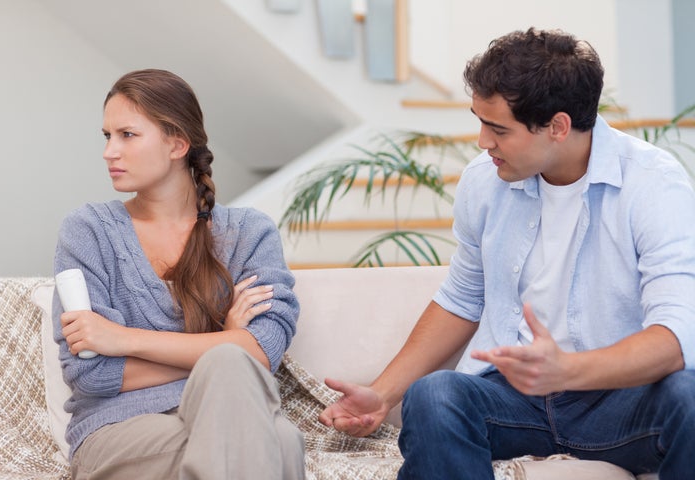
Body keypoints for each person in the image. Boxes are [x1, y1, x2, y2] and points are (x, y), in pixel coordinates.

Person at [319, 27, 695, 480]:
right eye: (480, 122)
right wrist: (381, 395)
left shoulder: (653, 184)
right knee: (435, 395)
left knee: (689, 396)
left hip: (614, 398)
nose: (482, 142)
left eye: (498, 129)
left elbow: (677, 336)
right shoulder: (485, 181)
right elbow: (462, 298)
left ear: (557, 126)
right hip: (512, 399)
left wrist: (567, 371)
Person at [53, 69, 305, 480]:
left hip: (236, 412)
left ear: (177, 144)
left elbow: (264, 350)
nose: (109, 152)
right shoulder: (89, 231)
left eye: (127, 135)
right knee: (277, 437)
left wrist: (124, 340)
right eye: (106, 136)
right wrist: (223, 341)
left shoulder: (249, 233)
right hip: (121, 428)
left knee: (264, 417)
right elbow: (92, 374)